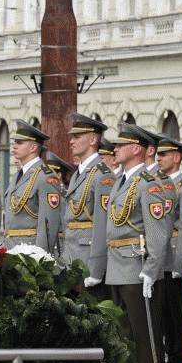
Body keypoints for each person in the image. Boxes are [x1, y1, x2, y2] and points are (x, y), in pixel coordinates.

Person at [92, 123, 170, 363]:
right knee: (122, 331)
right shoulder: (122, 181)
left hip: (136, 265)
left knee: (142, 331)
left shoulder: (149, 185)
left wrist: (151, 270)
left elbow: (158, 233)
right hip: (117, 264)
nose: (115, 149)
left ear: (136, 149)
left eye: (121, 145)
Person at [155, 136, 182, 363]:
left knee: (178, 313)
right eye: (158, 155)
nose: (159, 159)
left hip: (175, 257)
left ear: (177, 157)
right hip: (162, 257)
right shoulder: (157, 186)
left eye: (164, 155)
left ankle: (181, 357)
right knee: (165, 312)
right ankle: (171, 355)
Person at [65, 113, 114, 298]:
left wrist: (96, 268)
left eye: (77, 137)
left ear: (93, 139)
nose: (71, 141)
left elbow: (102, 226)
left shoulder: (102, 175)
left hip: (88, 257)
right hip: (71, 256)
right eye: (72, 136)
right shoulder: (79, 173)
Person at [2, 120, 62, 253]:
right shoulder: (18, 175)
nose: (14, 146)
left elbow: (48, 224)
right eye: (14, 142)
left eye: (20, 143)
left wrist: (40, 257)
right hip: (11, 248)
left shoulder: (45, 176)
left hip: (30, 251)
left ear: (33, 147)